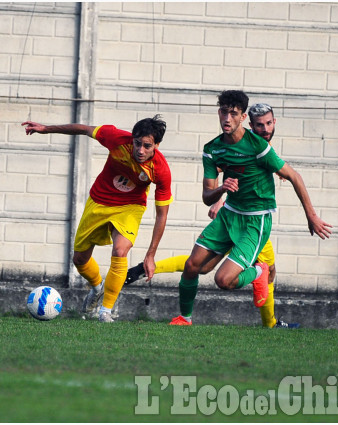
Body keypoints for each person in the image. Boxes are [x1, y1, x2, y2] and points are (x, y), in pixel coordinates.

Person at [166, 90, 332, 326]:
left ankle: (259, 273)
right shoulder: (212, 149)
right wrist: (222, 189)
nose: (227, 118)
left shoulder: (258, 147)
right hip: (229, 215)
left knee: (223, 281)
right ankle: (185, 317)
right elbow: (206, 196)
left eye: (233, 113)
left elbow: (293, 175)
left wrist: (312, 216)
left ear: (242, 117)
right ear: (219, 112)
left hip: (255, 221)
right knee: (193, 266)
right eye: (224, 112)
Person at [125, 102, 296, 328]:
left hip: (253, 220)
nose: (265, 129)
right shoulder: (240, 144)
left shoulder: (263, 145)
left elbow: (246, 177)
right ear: (250, 125)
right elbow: (230, 172)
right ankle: (270, 322)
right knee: (207, 267)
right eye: (259, 125)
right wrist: (220, 198)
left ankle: (270, 323)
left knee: (257, 270)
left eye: (268, 124)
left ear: (275, 123)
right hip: (234, 216)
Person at [21, 116, 173, 323]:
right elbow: (83, 129)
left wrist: (150, 254)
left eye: (147, 146)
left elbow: (161, 214)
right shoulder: (117, 139)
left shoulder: (161, 170)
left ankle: (106, 311)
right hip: (99, 200)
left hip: (130, 207)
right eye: (137, 143)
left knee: (120, 251)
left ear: (156, 145)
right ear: (132, 139)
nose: (140, 150)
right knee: (80, 260)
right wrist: (46, 128)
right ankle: (97, 287)